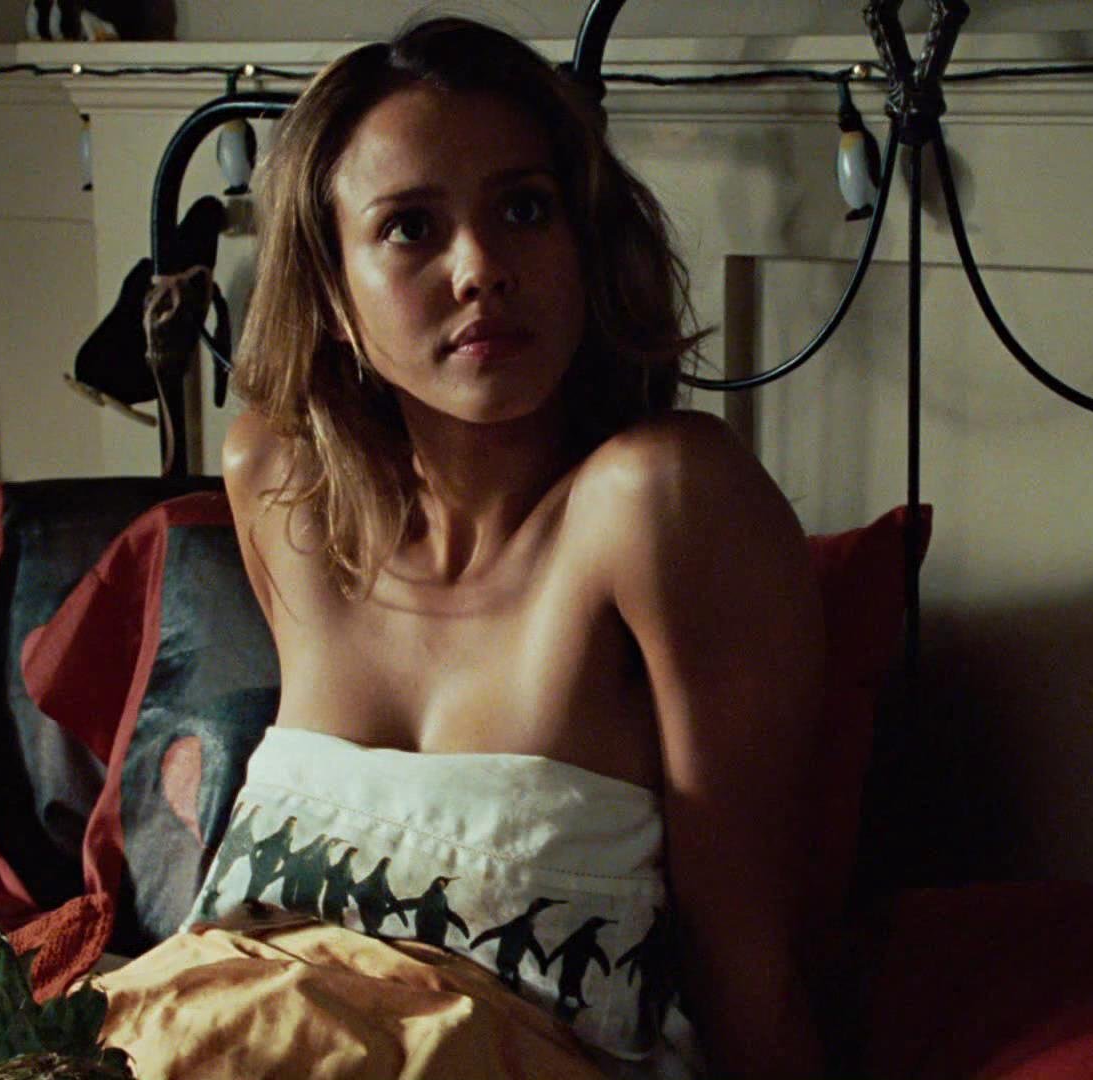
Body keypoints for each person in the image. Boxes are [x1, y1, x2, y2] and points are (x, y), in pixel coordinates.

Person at [191, 16, 825, 1078]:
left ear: (584, 243)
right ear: (333, 295)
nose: (481, 267)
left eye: (525, 209)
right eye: (410, 228)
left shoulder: (658, 505)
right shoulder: (277, 483)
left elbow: (749, 977)